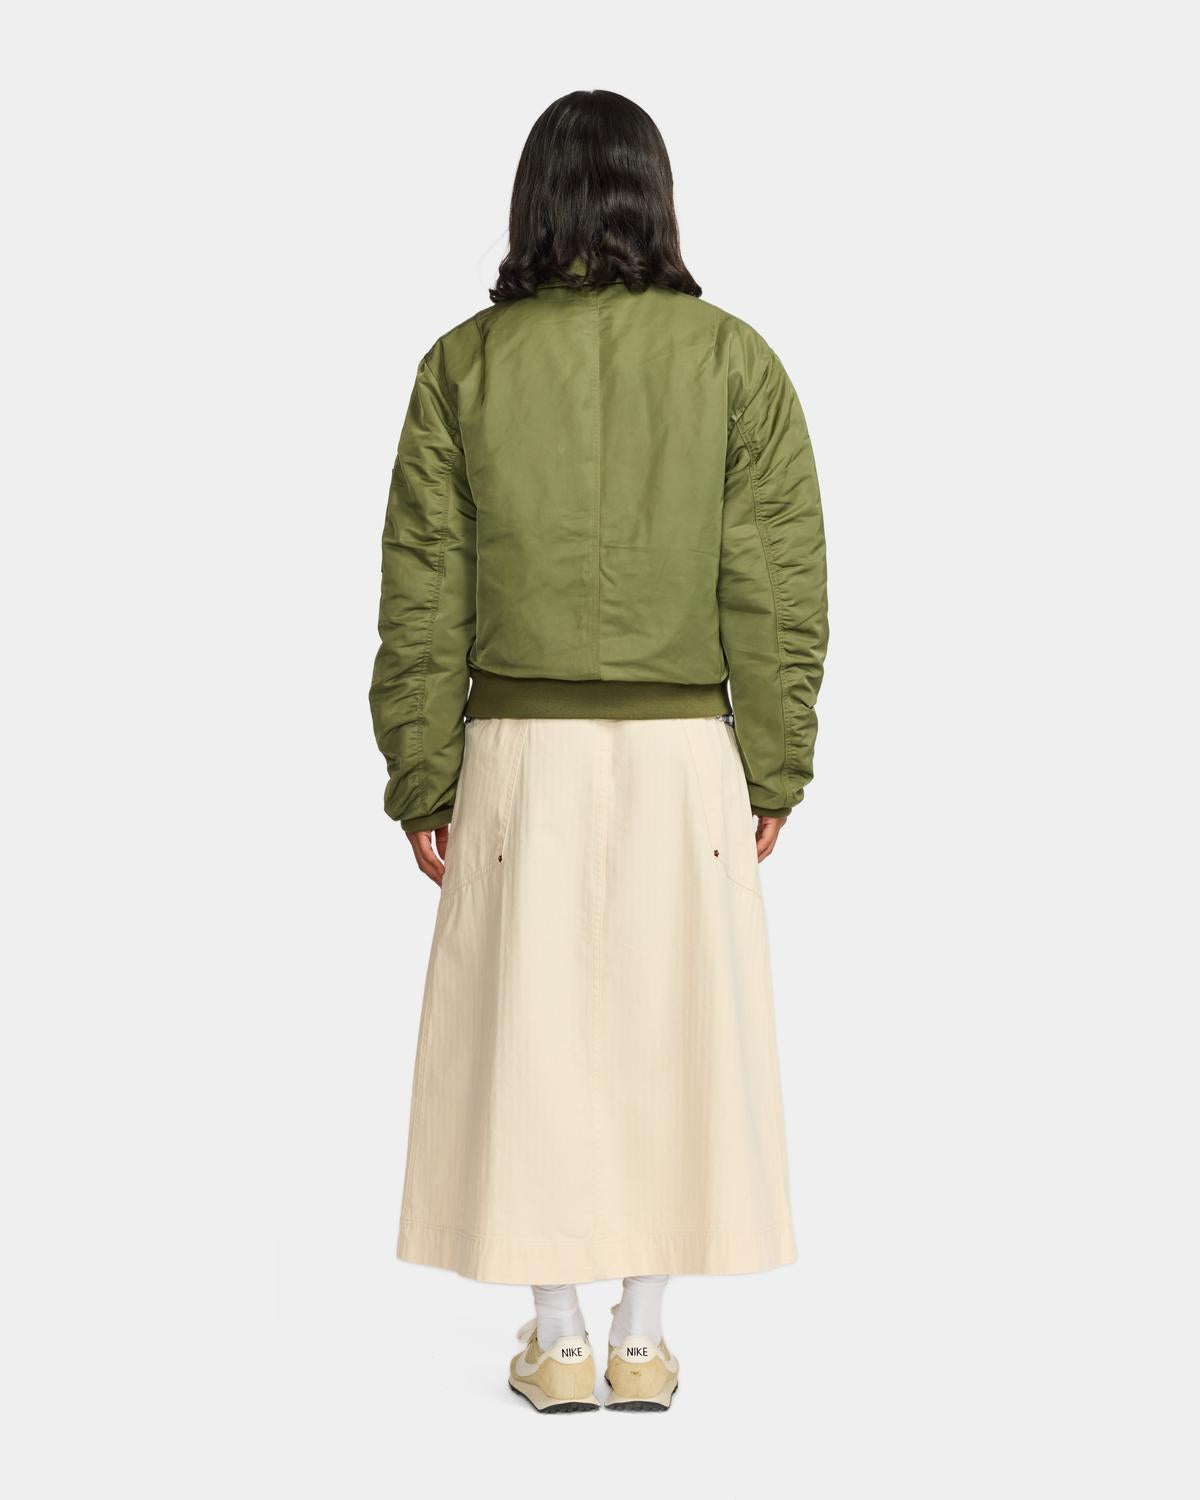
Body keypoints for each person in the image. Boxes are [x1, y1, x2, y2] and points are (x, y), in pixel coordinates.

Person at [369, 89, 828, 1413]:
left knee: (534, 1038)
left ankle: (558, 1336)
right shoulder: (734, 361)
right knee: (675, 1032)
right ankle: (644, 1337)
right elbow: (776, 586)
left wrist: (423, 769)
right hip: (686, 754)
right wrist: (776, 762)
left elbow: (424, 593)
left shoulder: (465, 367)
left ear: (534, 202)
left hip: (520, 751)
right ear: (654, 199)